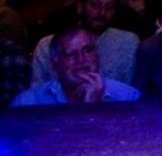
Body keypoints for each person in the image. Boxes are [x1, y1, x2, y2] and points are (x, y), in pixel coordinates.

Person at [32, 0, 140, 88]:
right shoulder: (47, 46)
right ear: (80, 6)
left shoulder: (127, 43)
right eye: (95, 5)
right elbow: (36, 98)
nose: (102, 12)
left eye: (109, 7)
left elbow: (130, 95)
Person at [13, 26, 142, 106]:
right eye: (70, 54)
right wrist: (84, 110)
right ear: (55, 64)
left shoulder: (128, 99)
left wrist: (96, 107)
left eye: (88, 50)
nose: (81, 60)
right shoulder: (27, 104)